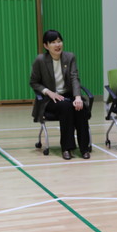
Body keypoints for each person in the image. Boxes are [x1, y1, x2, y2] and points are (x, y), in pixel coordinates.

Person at [30, 30, 91, 160]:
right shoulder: (40, 60)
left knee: (80, 107)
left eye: (59, 41)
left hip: (68, 95)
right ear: (46, 46)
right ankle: (67, 148)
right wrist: (48, 92)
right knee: (66, 107)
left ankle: (84, 148)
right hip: (49, 100)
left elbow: (74, 77)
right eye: (53, 42)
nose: (57, 45)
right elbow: (34, 82)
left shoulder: (69, 57)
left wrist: (78, 97)